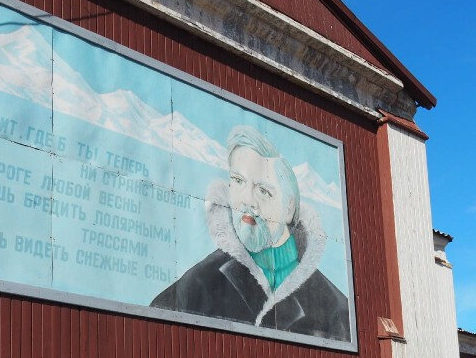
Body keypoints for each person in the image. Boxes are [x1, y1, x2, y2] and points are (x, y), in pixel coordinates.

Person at [150, 125, 350, 341]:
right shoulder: (195, 287)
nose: (247, 200)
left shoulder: (336, 308)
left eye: (263, 191)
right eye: (238, 181)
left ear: (289, 208)